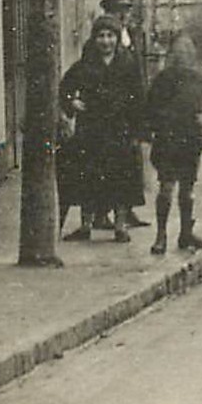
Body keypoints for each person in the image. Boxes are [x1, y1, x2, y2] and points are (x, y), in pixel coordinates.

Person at [59, 17, 143, 243]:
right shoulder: (85, 64)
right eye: (101, 36)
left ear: (117, 39)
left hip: (119, 129)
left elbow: (139, 98)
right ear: (94, 39)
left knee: (121, 178)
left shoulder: (128, 64)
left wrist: (137, 132)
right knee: (88, 177)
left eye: (110, 36)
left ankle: (120, 226)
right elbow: (64, 87)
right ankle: (85, 226)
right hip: (91, 129)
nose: (106, 41)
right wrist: (72, 103)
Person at [144, 34, 202, 255]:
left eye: (188, 50)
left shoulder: (198, 80)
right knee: (166, 187)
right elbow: (150, 109)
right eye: (179, 51)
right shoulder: (162, 80)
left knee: (187, 189)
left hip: (190, 140)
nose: (183, 55)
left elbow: (201, 109)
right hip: (168, 140)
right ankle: (161, 235)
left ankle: (185, 233)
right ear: (172, 54)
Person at [95, 0, 150, 229]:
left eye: (127, 11)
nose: (124, 16)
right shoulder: (100, 40)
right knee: (104, 166)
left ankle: (127, 211)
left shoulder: (131, 36)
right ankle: (101, 214)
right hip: (107, 115)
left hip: (128, 110)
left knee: (129, 165)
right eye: (120, 11)